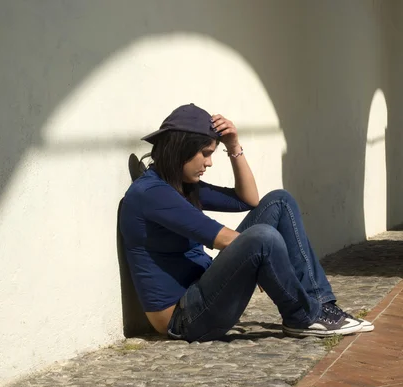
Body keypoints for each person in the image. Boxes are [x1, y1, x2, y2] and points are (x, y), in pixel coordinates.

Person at [119, 104, 374, 342]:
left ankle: (321, 307)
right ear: (181, 149)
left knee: (279, 202)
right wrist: (265, 257)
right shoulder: (152, 193)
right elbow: (223, 239)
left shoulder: (181, 186)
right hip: (184, 318)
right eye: (205, 154)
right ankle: (302, 316)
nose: (209, 162)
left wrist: (233, 146)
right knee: (262, 237)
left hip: (204, 289)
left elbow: (249, 199)